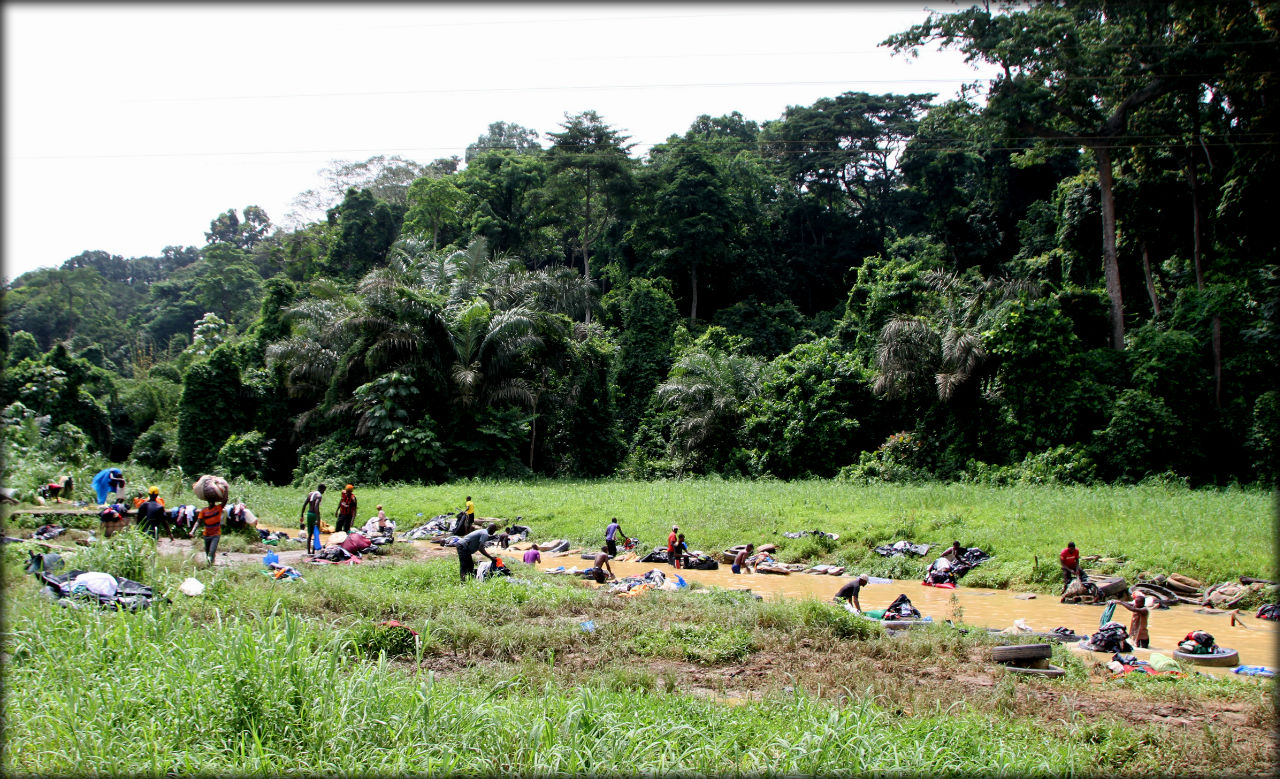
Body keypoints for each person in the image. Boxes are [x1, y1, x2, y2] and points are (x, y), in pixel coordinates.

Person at [197, 496, 225, 565]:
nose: (211, 503)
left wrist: (226, 491)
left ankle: (209, 565)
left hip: (215, 535)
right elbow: (198, 521)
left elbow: (225, 501)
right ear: (208, 502)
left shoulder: (218, 508)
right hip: (206, 535)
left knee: (212, 551)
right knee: (207, 552)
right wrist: (193, 531)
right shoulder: (204, 511)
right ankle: (211, 563)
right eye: (210, 501)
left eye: (213, 501)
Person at [299, 483, 326, 555]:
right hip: (314, 515)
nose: (323, 492)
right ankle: (313, 552)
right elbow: (316, 506)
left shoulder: (311, 494)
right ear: (322, 489)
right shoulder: (319, 495)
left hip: (309, 514)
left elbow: (305, 504)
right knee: (315, 534)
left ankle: (308, 551)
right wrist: (318, 518)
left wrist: (302, 515)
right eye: (324, 490)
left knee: (310, 533)